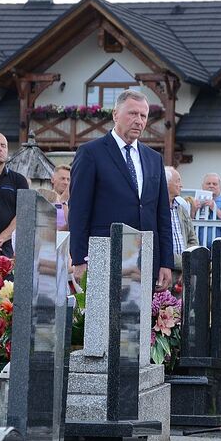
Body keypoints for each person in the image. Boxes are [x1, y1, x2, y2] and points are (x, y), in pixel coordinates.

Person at [69, 90, 172, 291]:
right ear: (115, 114)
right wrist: (79, 258)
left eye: (143, 116)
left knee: (139, 321)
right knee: (104, 320)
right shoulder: (91, 153)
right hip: (105, 254)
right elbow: (79, 209)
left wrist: (166, 261)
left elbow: (162, 214)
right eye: (132, 113)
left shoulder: (153, 158)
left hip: (145, 257)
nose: (139, 121)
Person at [164, 166, 198, 272]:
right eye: (177, 181)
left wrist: (188, 259)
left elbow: (192, 238)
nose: (181, 185)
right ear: (166, 183)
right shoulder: (155, 209)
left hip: (184, 272)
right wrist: (183, 262)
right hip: (166, 270)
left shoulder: (181, 208)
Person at [192, 172, 221, 247]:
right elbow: (189, 221)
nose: (211, 186)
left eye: (214, 184)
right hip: (198, 245)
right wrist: (193, 210)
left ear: (220, 188)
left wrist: (215, 209)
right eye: (208, 183)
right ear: (202, 186)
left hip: (220, 246)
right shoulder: (194, 201)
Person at [51, 164, 71, 231]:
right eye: (62, 178)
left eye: (68, 179)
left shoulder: (75, 201)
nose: (66, 182)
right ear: (53, 179)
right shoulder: (45, 198)